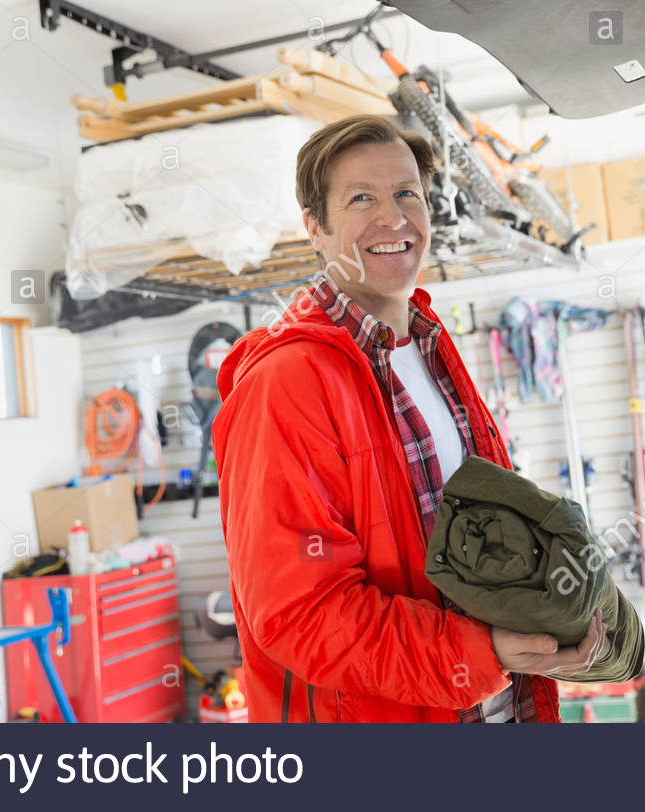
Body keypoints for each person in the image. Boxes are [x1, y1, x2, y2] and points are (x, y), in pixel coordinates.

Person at [212, 114, 604, 722]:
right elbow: (301, 613)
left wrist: (557, 614)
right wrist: (475, 655)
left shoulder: (428, 347)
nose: (393, 219)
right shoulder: (284, 383)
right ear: (315, 228)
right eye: (361, 198)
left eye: (407, 194)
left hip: (498, 705)